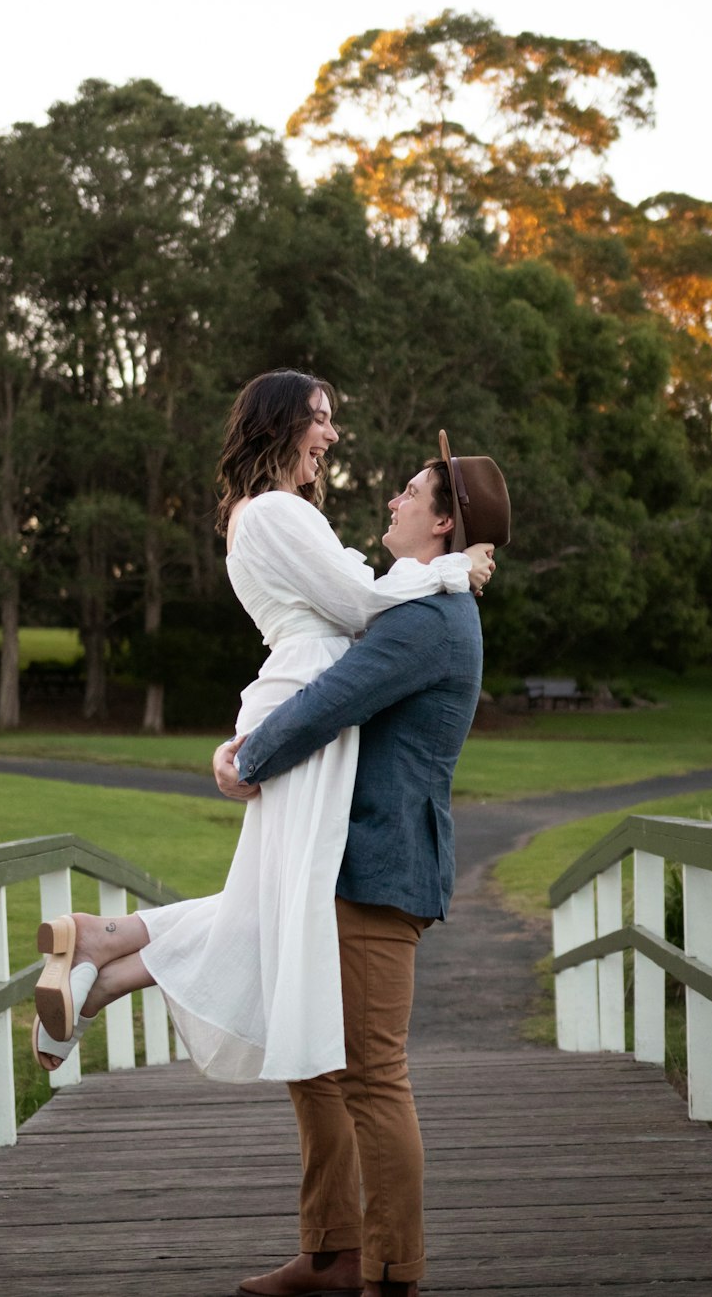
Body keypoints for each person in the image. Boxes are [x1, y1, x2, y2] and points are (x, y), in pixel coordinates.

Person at [31, 369, 494, 1083]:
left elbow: (356, 601)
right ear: (279, 422)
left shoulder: (277, 513)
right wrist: (452, 570)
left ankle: (103, 947)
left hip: (299, 690)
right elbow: (360, 602)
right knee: (282, 904)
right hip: (305, 692)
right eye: (321, 417)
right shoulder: (278, 512)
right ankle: (103, 960)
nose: (333, 435)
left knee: (274, 898)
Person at [214, 435, 511, 1297]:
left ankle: (390, 1272)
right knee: (312, 1060)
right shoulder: (415, 604)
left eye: (412, 491)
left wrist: (245, 758)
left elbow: (328, 702)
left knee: (372, 1075)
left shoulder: (429, 621)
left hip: (382, 870)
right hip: (345, 865)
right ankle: (330, 1253)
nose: (393, 499)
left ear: (445, 521)